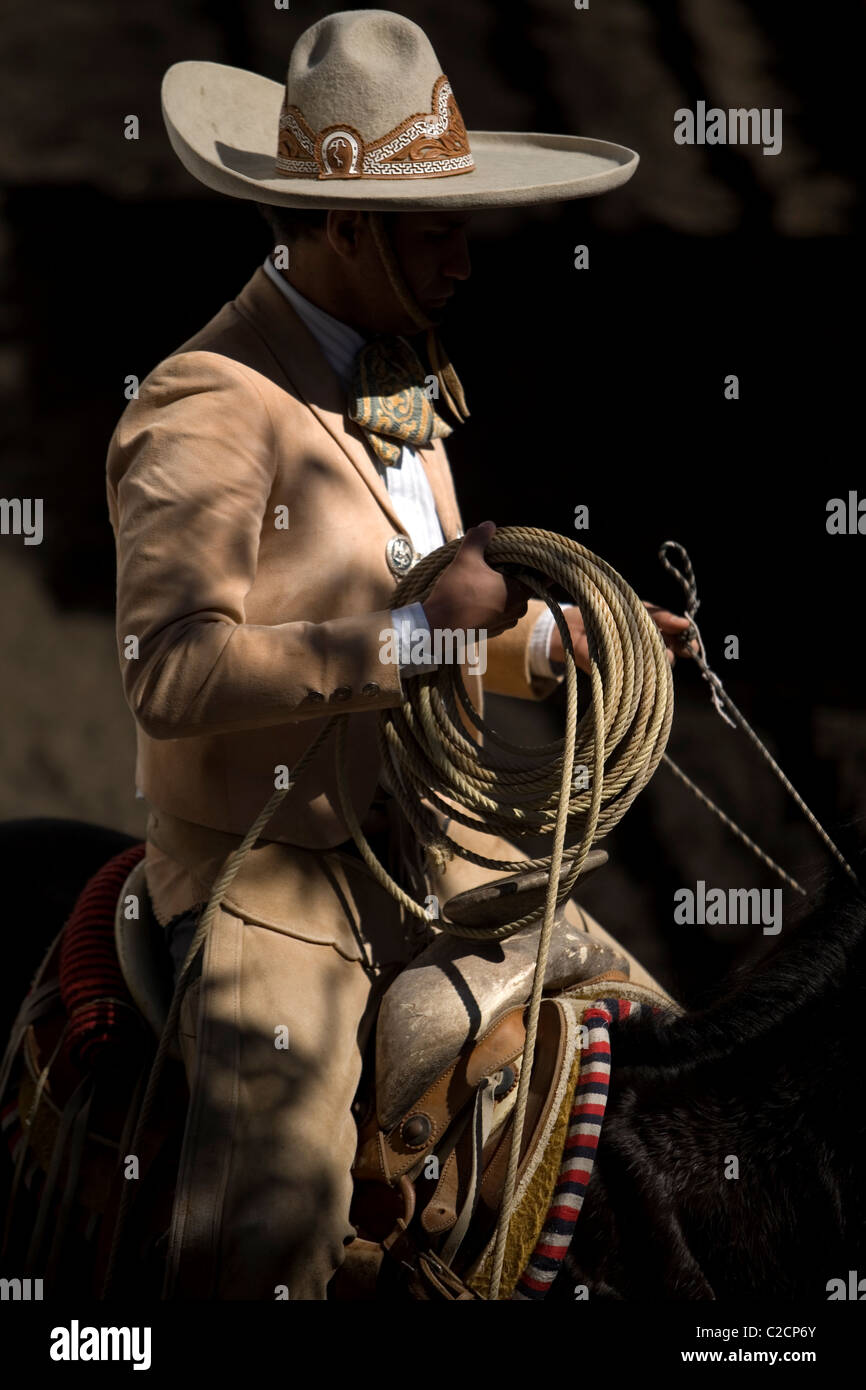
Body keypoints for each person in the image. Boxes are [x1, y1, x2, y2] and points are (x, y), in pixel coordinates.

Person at [106, 8, 692, 1299]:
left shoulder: (396, 374)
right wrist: (424, 635)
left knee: (676, 1052)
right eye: (436, 227)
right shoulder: (203, 407)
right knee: (272, 1228)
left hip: (428, 846)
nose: (465, 260)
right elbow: (169, 669)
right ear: (346, 223)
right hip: (274, 876)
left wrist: (562, 640)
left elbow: (435, 610)